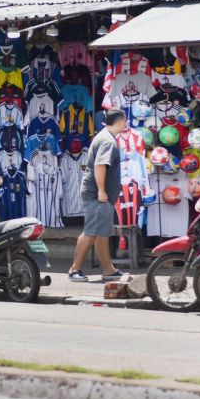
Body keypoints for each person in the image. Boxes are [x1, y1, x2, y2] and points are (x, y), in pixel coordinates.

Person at [68, 109, 128, 282]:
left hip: (100, 194)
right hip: (97, 194)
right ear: (120, 121)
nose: (125, 124)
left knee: (101, 233)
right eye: (124, 121)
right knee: (91, 232)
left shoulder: (105, 137)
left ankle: (108, 269)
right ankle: (74, 269)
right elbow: (100, 166)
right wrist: (101, 191)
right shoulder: (108, 141)